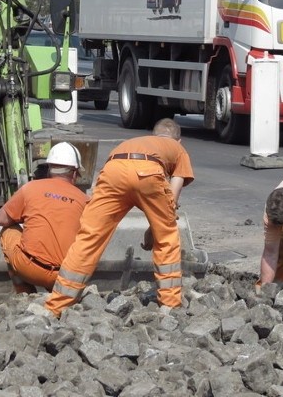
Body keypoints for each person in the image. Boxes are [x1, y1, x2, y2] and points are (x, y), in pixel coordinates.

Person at [44, 118, 194, 316]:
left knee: (89, 238)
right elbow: (170, 204)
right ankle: (170, 304)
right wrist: (156, 230)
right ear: (178, 140)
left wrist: (154, 226)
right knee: (167, 237)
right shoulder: (177, 149)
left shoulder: (139, 142)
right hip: (147, 171)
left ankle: (56, 305)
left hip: (113, 170)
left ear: (154, 135)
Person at [0, 142, 89, 293]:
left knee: (8, 230)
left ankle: (24, 293)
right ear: (75, 173)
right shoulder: (85, 200)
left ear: (49, 169)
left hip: (29, 268)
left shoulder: (31, 188)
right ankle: (57, 296)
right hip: (64, 276)